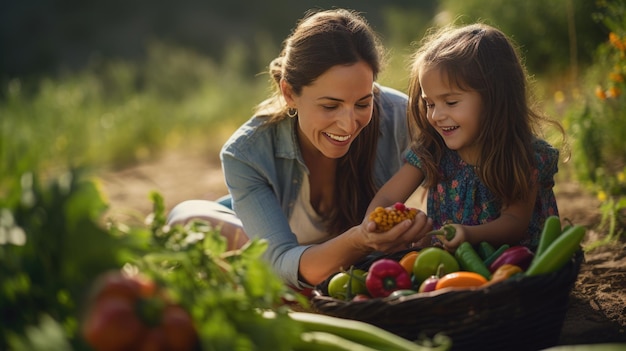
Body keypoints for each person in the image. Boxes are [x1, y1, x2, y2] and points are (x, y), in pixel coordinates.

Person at [167, 8, 433, 289]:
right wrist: (360, 240)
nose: (348, 124)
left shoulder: (401, 117)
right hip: (256, 223)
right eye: (330, 106)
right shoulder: (247, 153)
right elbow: (281, 261)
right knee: (186, 219)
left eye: (363, 103)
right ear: (289, 93)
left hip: (325, 258)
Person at [365, 23, 564, 253]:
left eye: (450, 102)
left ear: (494, 99)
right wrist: (373, 223)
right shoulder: (434, 151)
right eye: (430, 103)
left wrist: (468, 234)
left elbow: (514, 222)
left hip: (515, 266)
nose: (436, 115)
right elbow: (389, 194)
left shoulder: (522, 154)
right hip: (455, 270)